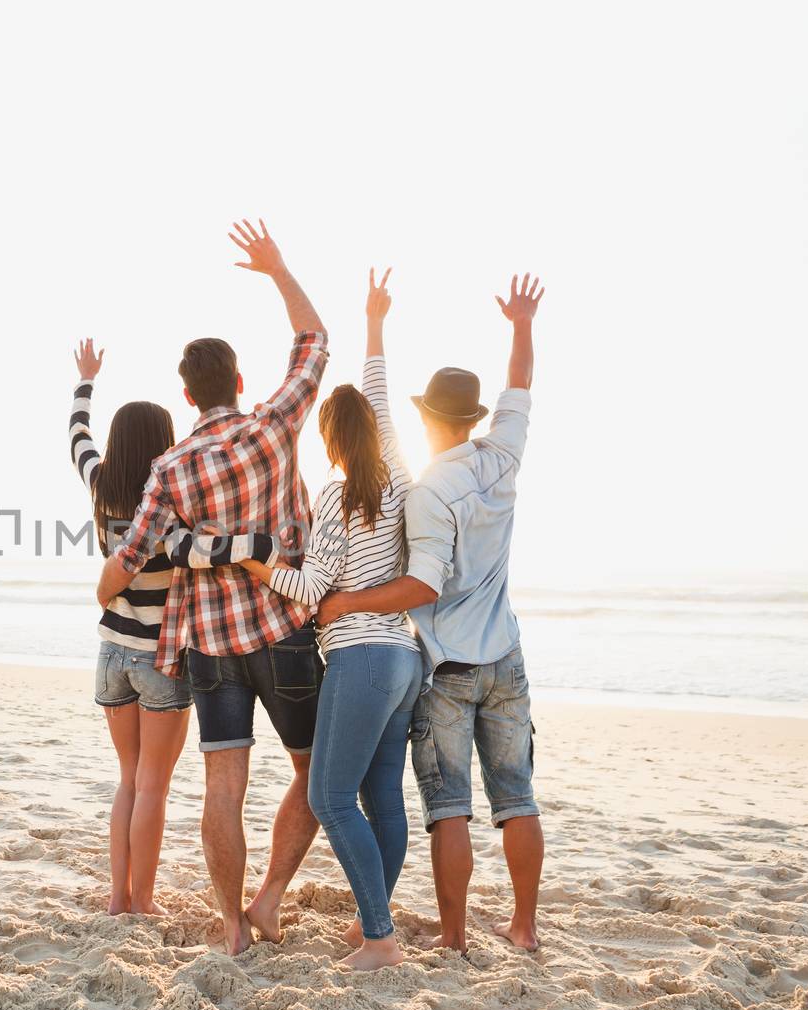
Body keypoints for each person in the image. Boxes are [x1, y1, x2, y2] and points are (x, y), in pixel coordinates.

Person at [96, 219, 329, 955]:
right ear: (236, 382)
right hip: (286, 630)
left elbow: (128, 561)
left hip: (210, 648)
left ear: (186, 395)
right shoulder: (272, 426)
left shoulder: (167, 470)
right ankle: (267, 899)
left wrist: (111, 588)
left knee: (221, 786)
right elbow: (316, 342)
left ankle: (232, 927)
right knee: (316, 771)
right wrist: (278, 269)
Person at [315, 273, 547, 953]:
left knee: (450, 809)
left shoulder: (427, 492)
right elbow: (521, 385)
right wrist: (521, 323)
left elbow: (420, 584)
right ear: (473, 417)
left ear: (427, 419)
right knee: (518, 797)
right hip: (506, 654)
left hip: (446, 667)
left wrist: (349, 599)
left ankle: (453, 936)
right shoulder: (503, 453)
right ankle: (525, 927)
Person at [234, 265, 419, 969]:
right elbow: (376, 397)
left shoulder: (340, 496)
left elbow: (310, 587)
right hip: (404, 658)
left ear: (331, 440)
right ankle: (375, 920)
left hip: (362, 656)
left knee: (329, 795)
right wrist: (375, 325)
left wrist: (258, 568)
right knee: (380, 797)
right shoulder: (398, 480)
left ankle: (379, 937)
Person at [67, 339, 272, 916]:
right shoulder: (172, 499)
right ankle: (144, 900)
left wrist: (85, 382)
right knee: (153, 784)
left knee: (128, 779)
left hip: (110, 652)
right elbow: (206, 546)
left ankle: (117, 898)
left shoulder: (100, 487)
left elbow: (77, 438)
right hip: (160, 658)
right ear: (164, 443)